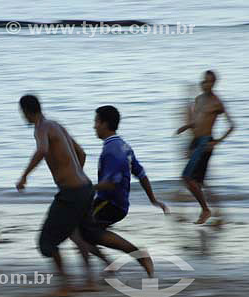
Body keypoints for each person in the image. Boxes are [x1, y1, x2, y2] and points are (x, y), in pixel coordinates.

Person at [16, 94, 95, 297]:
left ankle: (65, 285)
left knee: (46, 242)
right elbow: (82, 153)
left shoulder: (41, 128)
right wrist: (75, 175)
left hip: (72, 193)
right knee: (76, 233)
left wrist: (24, 176)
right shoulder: (56, 125)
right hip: (86, 188)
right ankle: (90, 280)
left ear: (25, 111)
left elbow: (42, 150)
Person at [81, 105, 169, 277]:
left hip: (110, 203)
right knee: (83, 230)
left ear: (104, 124)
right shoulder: (124, 146)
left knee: (83, 229)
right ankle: (110, 265)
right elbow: (141, 174)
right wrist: (152, 199)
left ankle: (137, 255)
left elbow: (112, 184)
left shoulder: (111, 150)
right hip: (117, 203)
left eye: (96, 122)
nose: (94, 126)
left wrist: (87, 187)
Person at [176, 70, 235, 224]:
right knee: (197, 181)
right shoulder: (198, 99)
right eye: (204, 81)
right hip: (194, 141)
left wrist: (217, 141)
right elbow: (197, 121)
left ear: (214, 83)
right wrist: (186, 126)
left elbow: (232, 125)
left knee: (187, 177)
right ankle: (214, 213)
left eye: (209, 81)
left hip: (205, 143)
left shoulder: (217, 102)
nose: (206, 84)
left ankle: (206, 210)